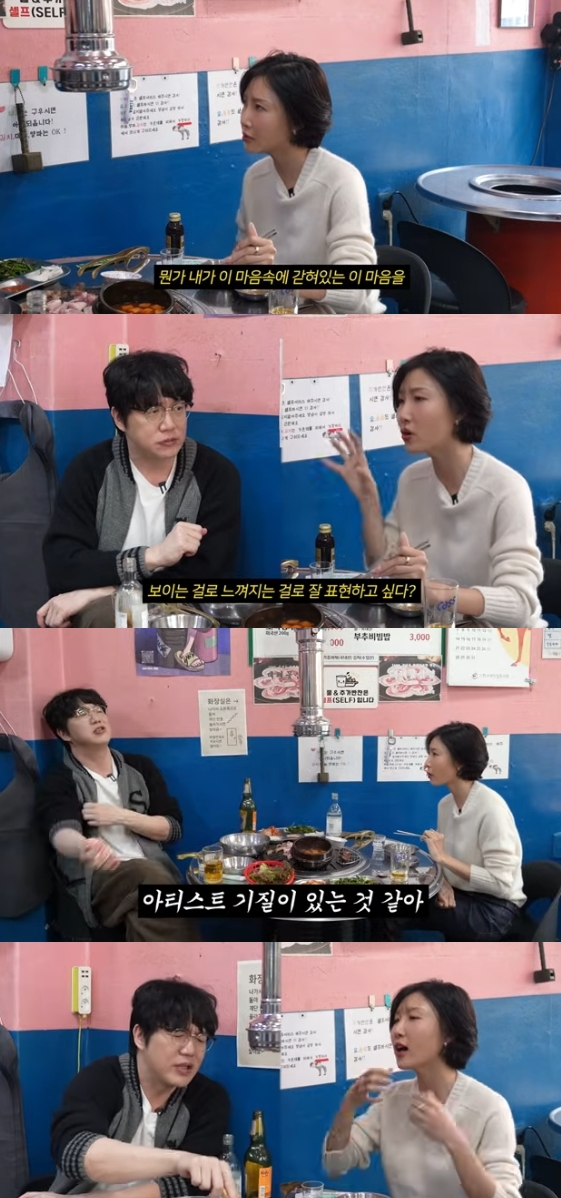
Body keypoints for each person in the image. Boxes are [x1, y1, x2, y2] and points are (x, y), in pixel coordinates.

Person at [13, 978, 237, 1198]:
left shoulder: (209, 1098)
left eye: (200, 1038)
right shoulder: (100, 1079)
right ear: (140, 1036)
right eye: (177, 1033)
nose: (190, 1049)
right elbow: (78, 1154)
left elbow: (188, 1187)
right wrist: (181, 1160)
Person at [324, 349, 544, 626]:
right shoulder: (413, 478)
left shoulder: (507, 489)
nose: (402, 414)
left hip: (499, 642)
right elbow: (380, 562)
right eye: (400, 401)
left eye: (419, 399)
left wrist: (429, 591)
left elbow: (519, 604)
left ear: (460, 410)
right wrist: (369, 500)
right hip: (436, 629)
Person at [38, 351, 241, 628]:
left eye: (178, 408)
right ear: (119, 419)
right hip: (106, 614)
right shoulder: (90, 470)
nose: (169, 424)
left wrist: (106, 590)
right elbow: (63, 566)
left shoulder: (215, 474)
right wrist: (153, 557)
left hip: (182, 609)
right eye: (152, 411)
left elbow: (209, 577)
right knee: (110, 618)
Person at [323, 980, 522, 1198]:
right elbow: (336, 1164)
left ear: (449, 1033)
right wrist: (348, 1107)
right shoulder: (393, 1099)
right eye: (395, 1020)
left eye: (413, 1017)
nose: (397, 1029)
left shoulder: (489, 1107)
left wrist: (454, 1140)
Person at [223, 52, 385, 315]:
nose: (244, 118)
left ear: (297, 120)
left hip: (343, 327)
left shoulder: (342, 180)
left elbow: (354, 290)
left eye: (259, 107)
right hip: (282, 318)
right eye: (245, 104)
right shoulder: (254, 179)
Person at [35, 688, 198, 941]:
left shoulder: (140, 767)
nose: (96, 718)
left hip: (152, 868)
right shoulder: (60, 779)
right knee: (148, 878)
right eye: (81, 713)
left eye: (99, 710)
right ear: (64, 733)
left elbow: (172, 829)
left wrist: (121, 816)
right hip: (97, 876)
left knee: (148, 900)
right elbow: (60, 831)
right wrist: (83, 847)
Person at [412, 722, 525, 941]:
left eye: (435, 754)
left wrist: (443, 857)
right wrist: (443, 884)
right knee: (388, 902)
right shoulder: (446, 804)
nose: (426, 764)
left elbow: (501, 884)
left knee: (391, 907)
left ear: (460, 762)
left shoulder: (492, 809)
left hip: (493, 910)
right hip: (461, 895)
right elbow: (446, 866)